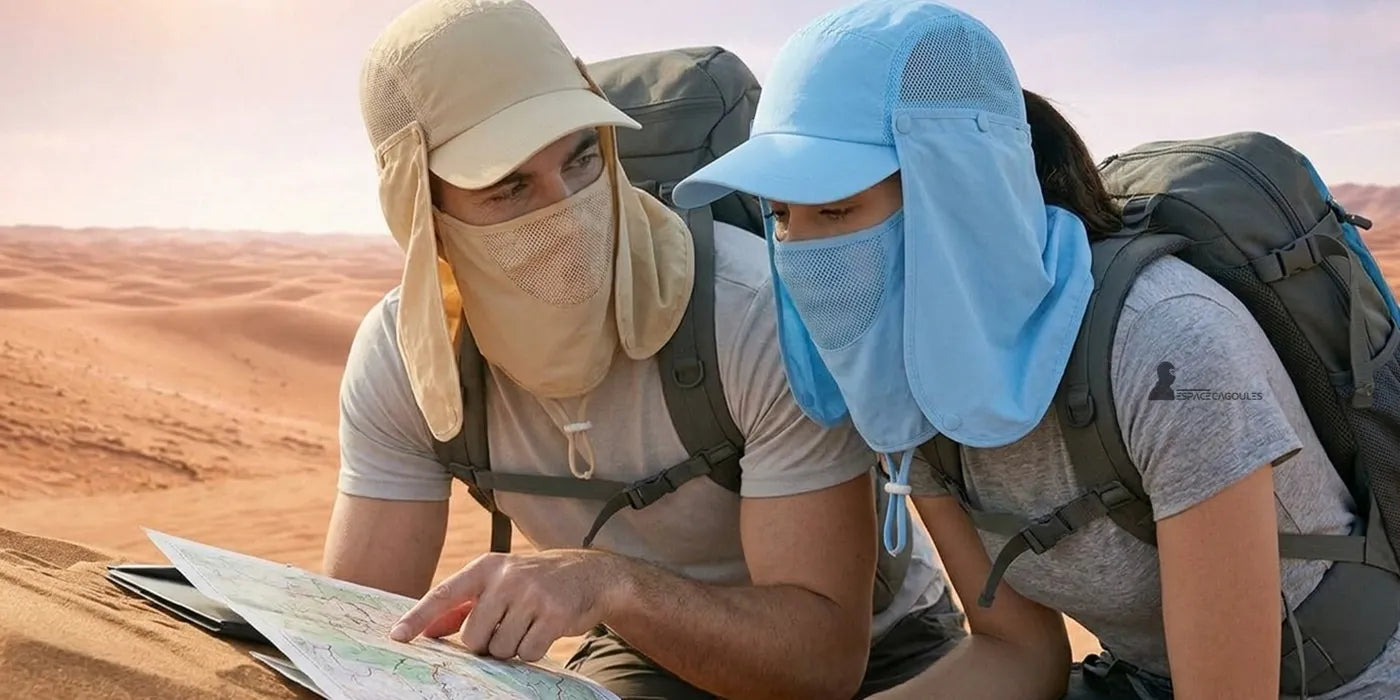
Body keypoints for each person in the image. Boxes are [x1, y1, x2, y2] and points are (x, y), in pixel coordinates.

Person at [672, 1, 1400, 698]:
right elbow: (1016, 652)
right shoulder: (907, 373)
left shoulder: (1167, 344)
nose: (799, 249)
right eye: (780, 216)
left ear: (959, 194)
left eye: (834, 210)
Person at [322, 1, 964, 698]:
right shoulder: (408, 363)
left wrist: (609, 583)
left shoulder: (756, 313)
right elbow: (350, 638)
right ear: (419, 208)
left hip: (883, 648)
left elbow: (819, 662)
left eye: (581, 159)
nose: (568, 213)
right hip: (647, 649)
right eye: (509, 187)